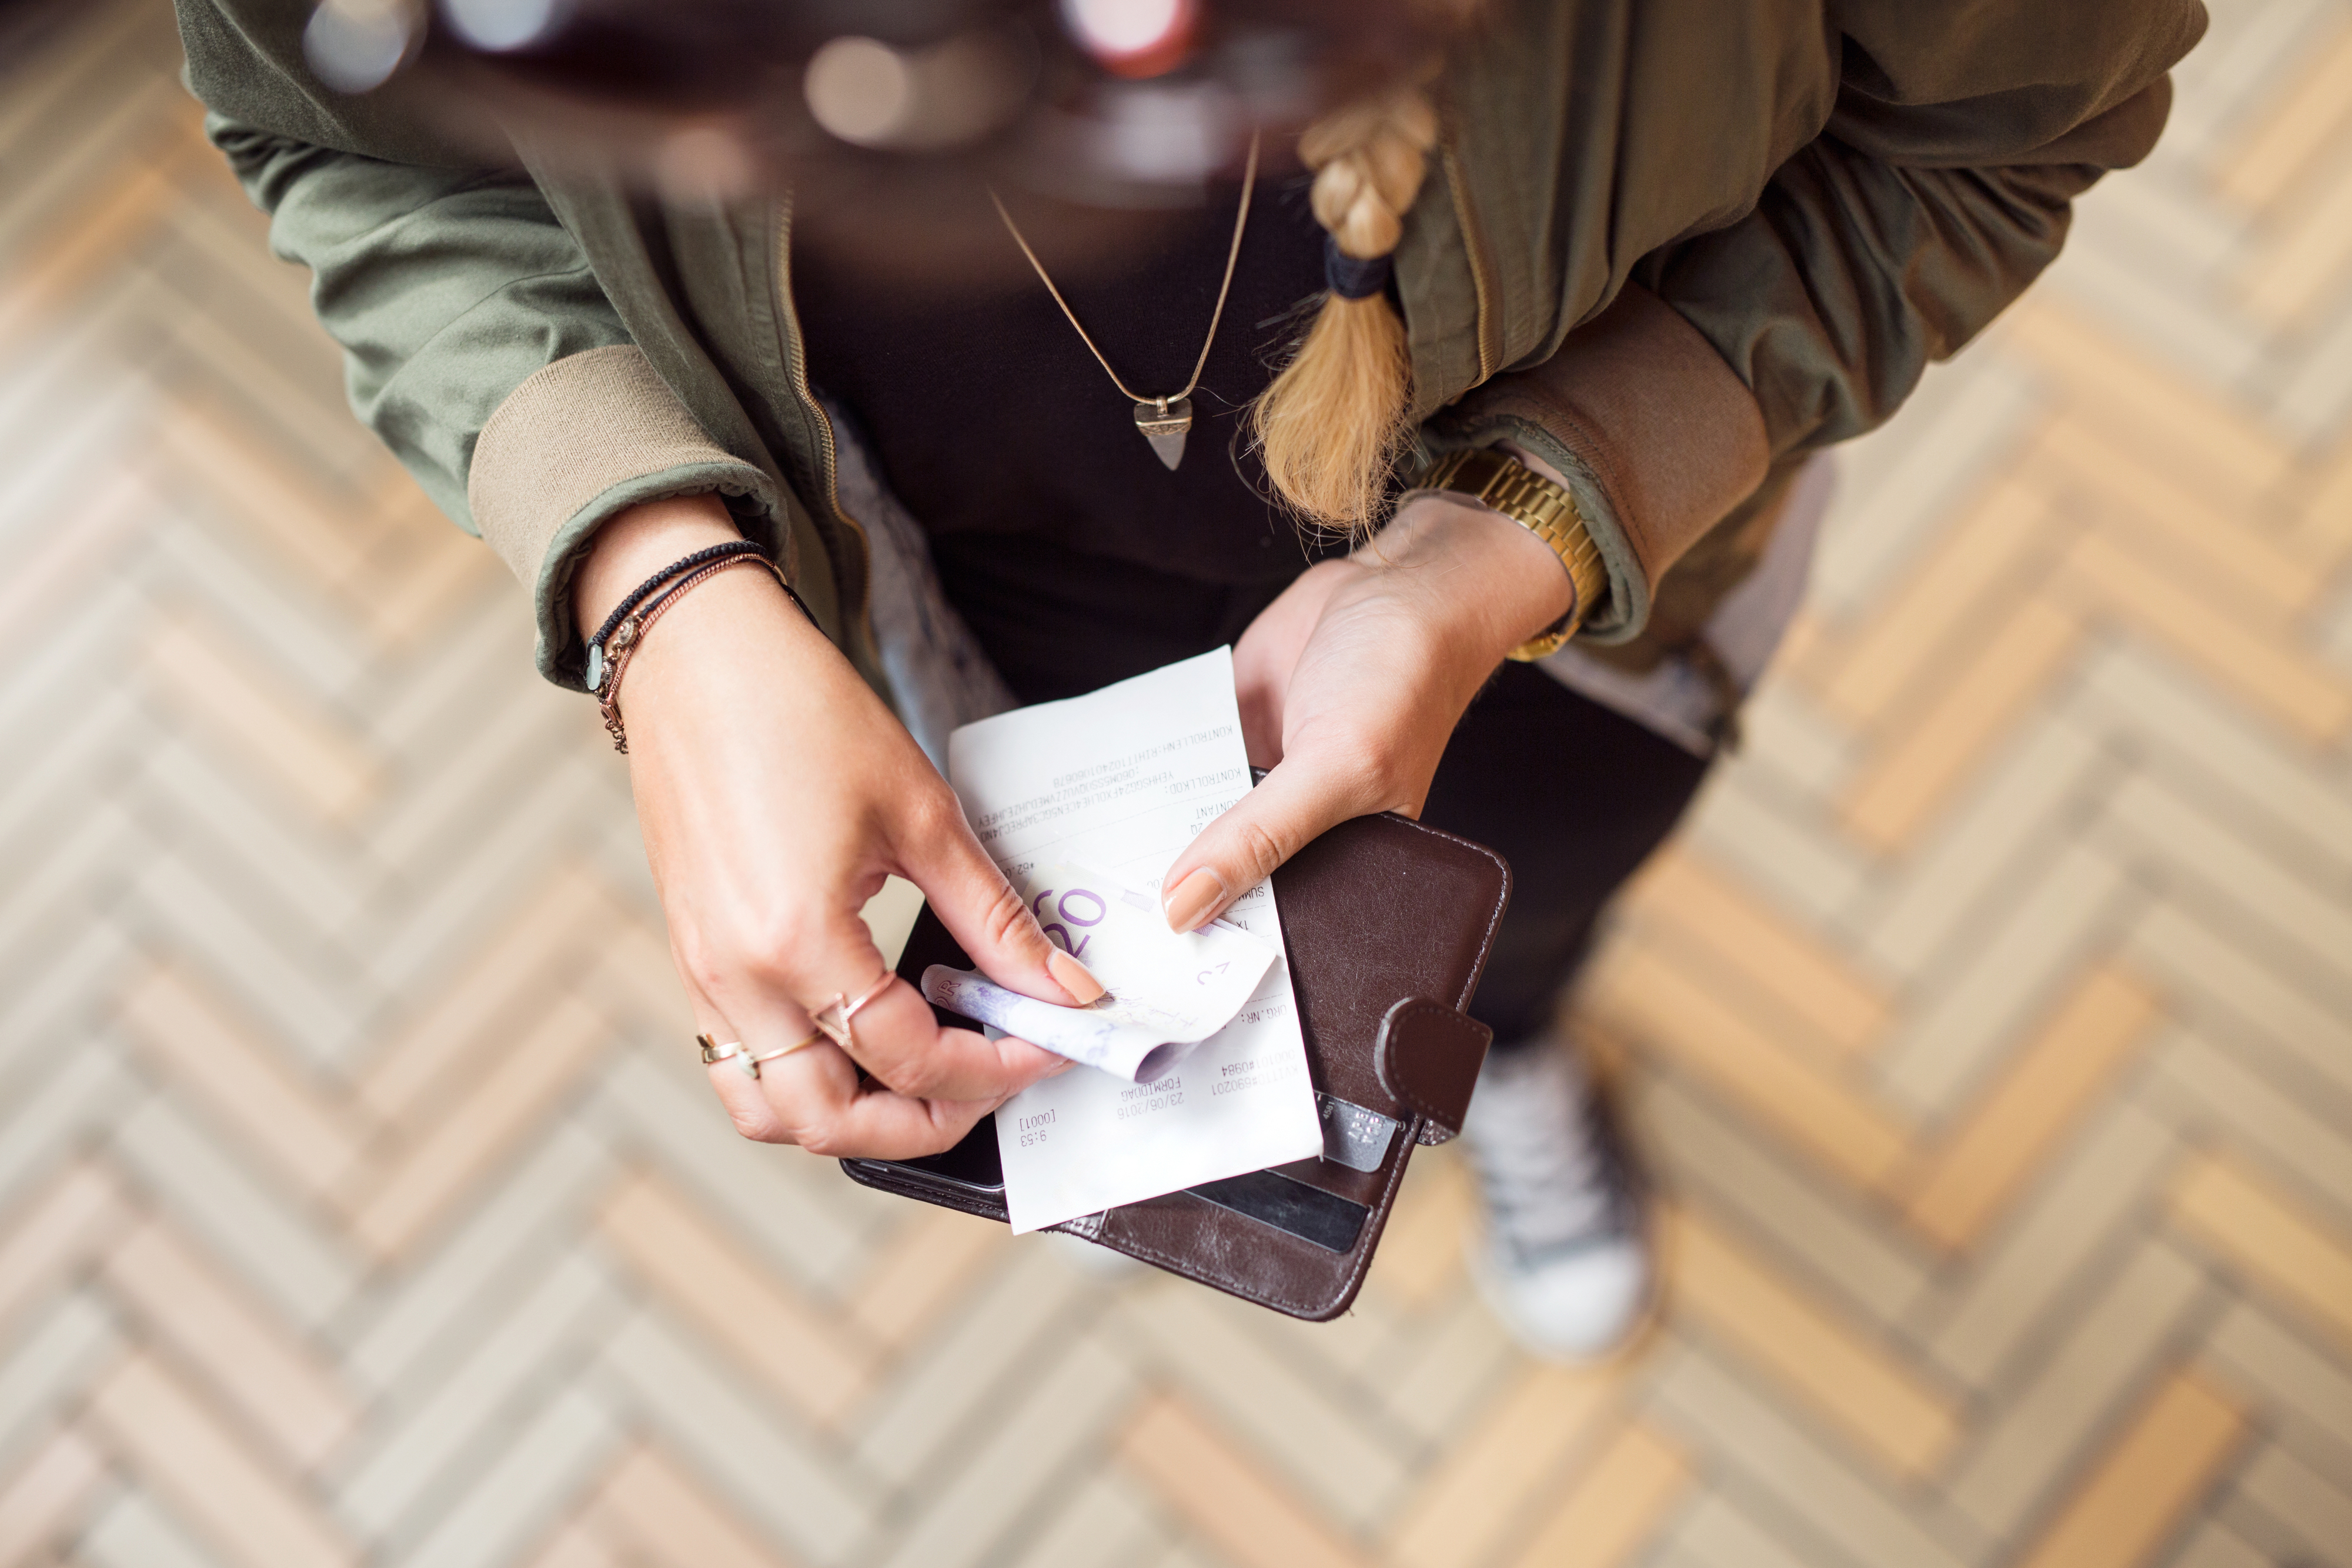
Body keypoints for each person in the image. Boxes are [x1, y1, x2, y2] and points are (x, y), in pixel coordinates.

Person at [177, 0, 2200, 1359]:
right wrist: (661, 581)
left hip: (1591, 647)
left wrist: (1518, 530)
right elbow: (357, 155)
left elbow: (2000, 134)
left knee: (1517, 938)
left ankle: (1516, 1062)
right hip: (936, 630)